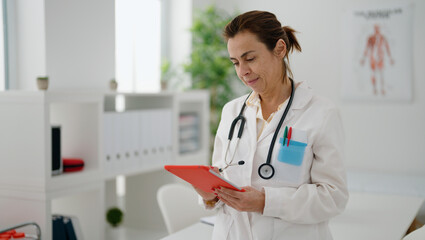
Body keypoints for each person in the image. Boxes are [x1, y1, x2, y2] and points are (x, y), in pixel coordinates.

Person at [193, 10, 348, 240]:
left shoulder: (321, 113)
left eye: (250, 59)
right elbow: (221, 178)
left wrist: (266, 202)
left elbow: (333, 197)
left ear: (280, 49)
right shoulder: (232, 112)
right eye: (235, 62)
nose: (242, 72)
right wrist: (209, 194)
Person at [360, 24, 395, 96]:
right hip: (373, 57)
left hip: (380, 57)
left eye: (378, 29)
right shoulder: (370, 38)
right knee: (373, 74)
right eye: (376, 29)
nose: (377, 30)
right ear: (374, 29)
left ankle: (382, 89)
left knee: (381, 74)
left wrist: (390, 58)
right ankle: (374, 89)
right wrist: (363, 58)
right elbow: (366, 48)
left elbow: (387, 47)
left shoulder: (382, 38)